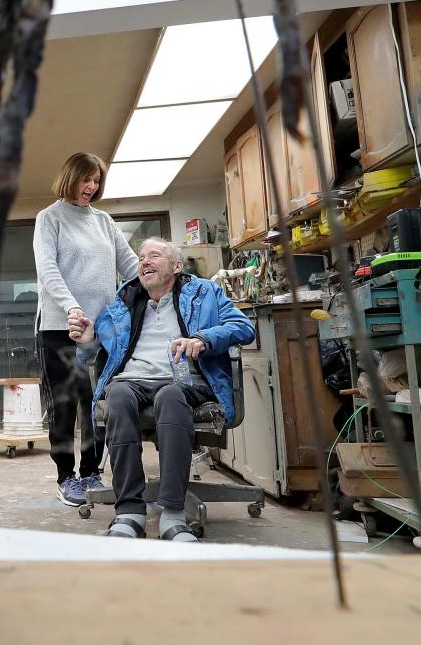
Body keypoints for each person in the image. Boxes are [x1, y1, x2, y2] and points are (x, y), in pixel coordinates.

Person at [68, 238, 255, 541]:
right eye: (141, 258)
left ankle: (172, 513)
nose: (144, 262)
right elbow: (90, 354)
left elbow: (244, 327)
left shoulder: (204, 292)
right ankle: (129, 511)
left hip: (183, 380)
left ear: (177, 267)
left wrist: (203, 338)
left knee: (170, 395)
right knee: (118, 395)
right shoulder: (124, 300)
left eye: (154, 256)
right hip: (132, 380)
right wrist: (86, 339)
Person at [33, 152, 138, 506]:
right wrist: (71, 307)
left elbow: (130, 265)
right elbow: (48, 270)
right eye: (86, 179)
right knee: (65, 404)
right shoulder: (49, 218)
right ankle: (66, 476)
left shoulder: (104, 221)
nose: (91, 187)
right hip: (61, 328)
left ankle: (92, 472)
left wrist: (162, 279)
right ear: (70, 177)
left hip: (104, 329)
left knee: (96, 404)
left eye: (96, 181)